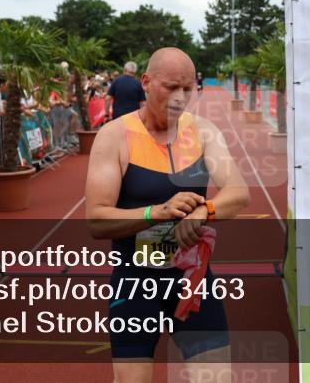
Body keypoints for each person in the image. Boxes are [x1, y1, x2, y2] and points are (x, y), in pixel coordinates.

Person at [85, 47, 250, 383]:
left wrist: (204, 210)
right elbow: (96, 219)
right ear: (146, 82)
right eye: (171, 87)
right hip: (136, 284)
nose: (180, 97)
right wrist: (155, 213)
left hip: (193, 281)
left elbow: (239, 192)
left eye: (188, 89)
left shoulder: (204, 131)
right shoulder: (114, 136)